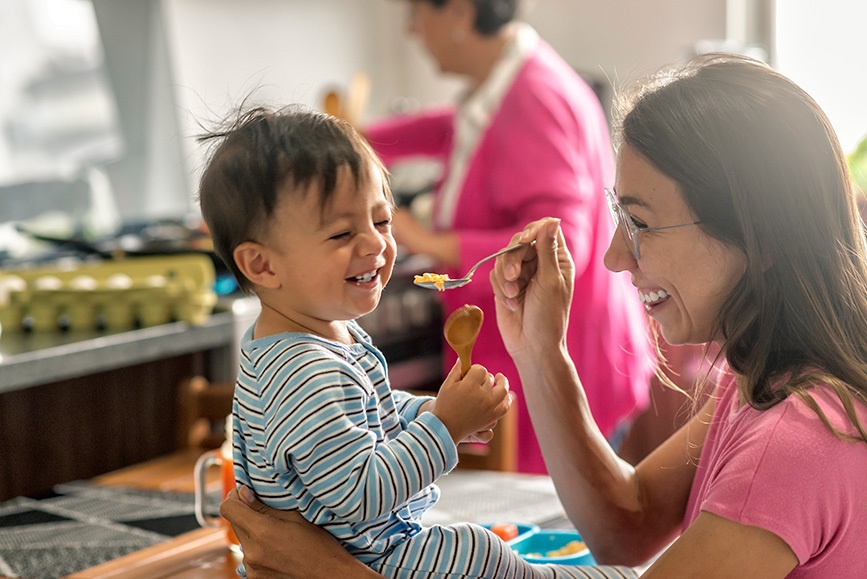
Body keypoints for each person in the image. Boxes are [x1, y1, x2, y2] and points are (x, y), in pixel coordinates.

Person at [221, 53, 867, 577]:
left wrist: (326, 569)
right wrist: (538, 349)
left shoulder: (792, 438)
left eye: (638, 224)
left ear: (754, 240)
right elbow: (627, 522)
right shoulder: (763, 381)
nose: (614, 256)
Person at [197, 104, 635, 578]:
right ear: (262, 266)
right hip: (360, 561)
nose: (376, 245)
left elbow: (369, 413)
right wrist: (444, 426)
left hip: (359, 559)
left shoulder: (321, 338)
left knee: (479, 551)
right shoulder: (303, 369)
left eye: (382, 221)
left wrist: (428, 412)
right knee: (476, 552)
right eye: (343, 232)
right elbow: (359, 495)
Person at [365, 0, 653, 473]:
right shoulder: (507, 82)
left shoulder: (536, 97)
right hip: (550, 359)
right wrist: (349, 138)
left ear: (458, 12)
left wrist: (428, 242)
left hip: (567, 360)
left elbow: (561, 246)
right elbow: (451, 131)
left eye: (418, 12)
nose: (413, 30)